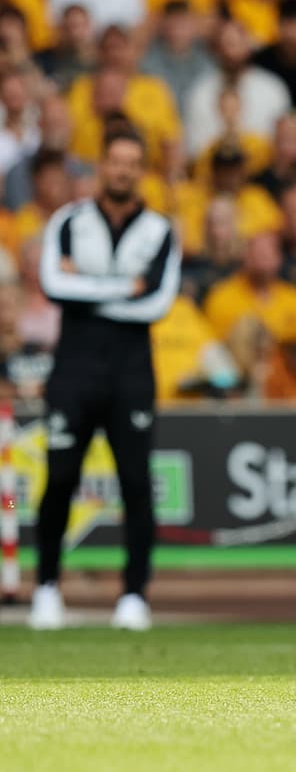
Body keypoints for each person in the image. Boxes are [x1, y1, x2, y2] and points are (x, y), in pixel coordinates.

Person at [29, 126, 182, 632]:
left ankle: (134, 595)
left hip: (131, 369)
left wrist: (87, 287)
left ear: (141, 172)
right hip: (73, 366)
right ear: (101, 166)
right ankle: (47, 587)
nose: (122, 170)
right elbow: (54, 284)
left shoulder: (160, 231)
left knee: (136, 483)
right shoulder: (68, 222)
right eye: (115, 161)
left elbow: (158, 302)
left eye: (132, 163)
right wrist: (125, 288)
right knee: (61, 478)